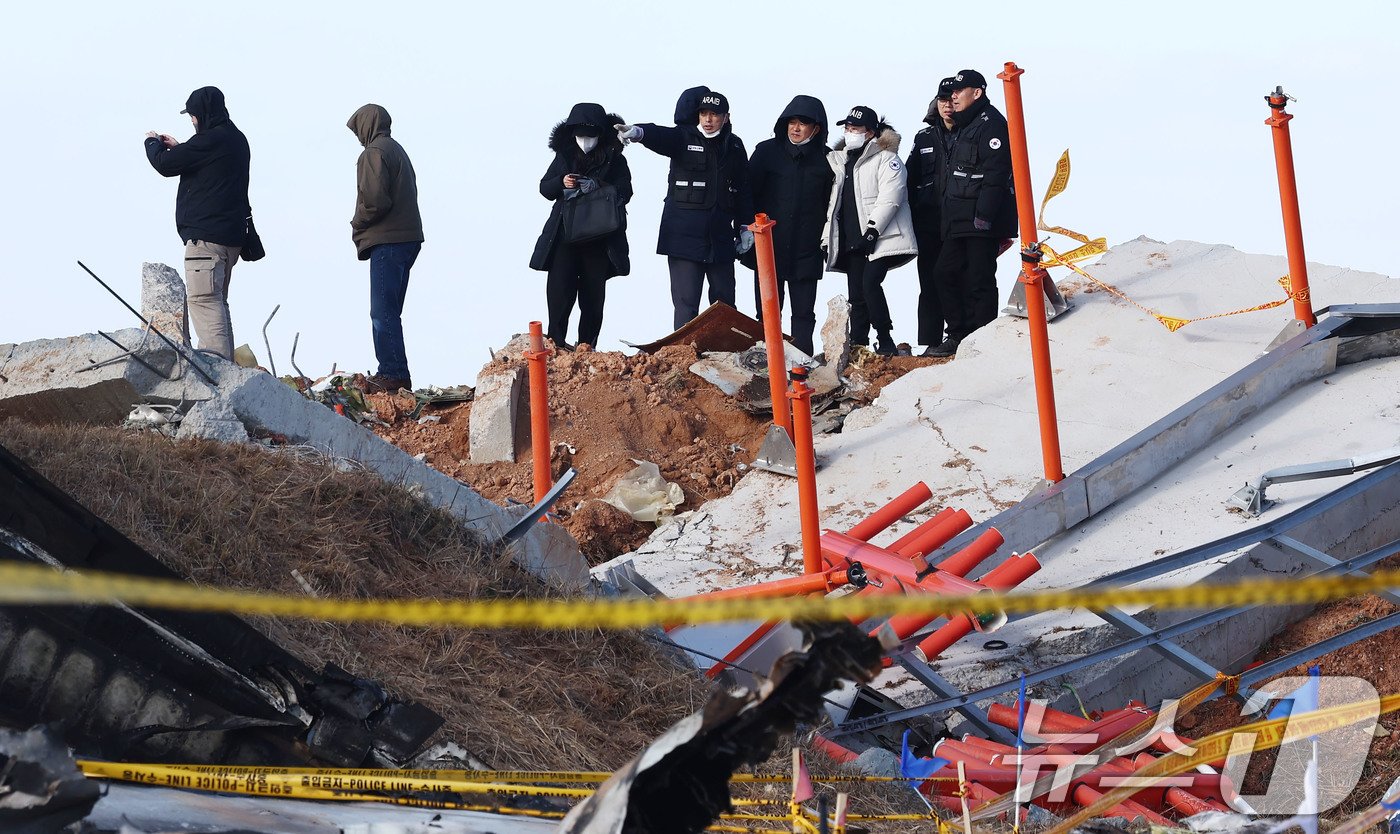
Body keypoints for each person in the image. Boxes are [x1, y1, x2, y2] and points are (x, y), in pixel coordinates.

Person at [616, 87, 753, 330]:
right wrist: (638, 132)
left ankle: (722, 354)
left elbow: (743, 190)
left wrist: (745, 226)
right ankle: (685, 357)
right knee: (686, 303)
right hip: (683, 238)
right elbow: (660, 136)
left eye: (714, 114)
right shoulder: (683, 138)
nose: (708, 120)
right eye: (704, 114)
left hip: (720, 239)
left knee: (724, 302)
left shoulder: (734, 146)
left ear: (726, 117)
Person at [144, 86, 250, 361]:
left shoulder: (210, 140)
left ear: (201, 114)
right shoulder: (235, 139)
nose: (192, 121)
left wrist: (152, 142)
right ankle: (228, 368)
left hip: (206, 239)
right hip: (230, 239)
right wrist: (182, 148)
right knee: (217, 302)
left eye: (192, 116)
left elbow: (164, 165)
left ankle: (218, 369)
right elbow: (206, 164)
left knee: (204, 301)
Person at [926, 70, 1016, 358]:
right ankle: (958, 334)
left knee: (979, 279)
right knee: (943, 273)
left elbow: (996, 173)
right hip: (958, 219)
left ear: (977, 92)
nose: (954, 96)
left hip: (980, 220)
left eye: (960, 91)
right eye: (952, 92)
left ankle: (983, 338)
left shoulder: (991, 124)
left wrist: (985, 216)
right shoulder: (967, 124)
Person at [529, 103, 632, 350]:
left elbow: (626, 191)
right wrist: (562, 182)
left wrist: (597, 186)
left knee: (593, 297)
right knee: (559, 292)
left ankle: (587, 347)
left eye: (591, 136)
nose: (585, 141)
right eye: (580, 135)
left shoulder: (615, 157)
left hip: (599, 237)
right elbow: (545, 188)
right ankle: (555, 345)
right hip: (564, 234)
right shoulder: (564, 155)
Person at [820, 107, 917, 356]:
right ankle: (859, 342)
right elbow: (833, 206)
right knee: (856, 293)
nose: (850, 133)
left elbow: (891, 197)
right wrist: (826, 239)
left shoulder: (887, 159)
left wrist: (873, 231)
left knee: (870, 283)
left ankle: (885, 338)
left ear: (871, 132)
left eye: (856, 129)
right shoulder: (840, 162)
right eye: (847, 128)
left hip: (881, 238)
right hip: (852, 238)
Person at [743, 95, 832, 356]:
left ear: (816, 129)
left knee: (804, 312)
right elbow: (748, 193)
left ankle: (802, 362)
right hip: (769, 246)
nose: (795, 128)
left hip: (808, 248)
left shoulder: (828, 160)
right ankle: (767, 358)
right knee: (767, 310)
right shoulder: (766, 151)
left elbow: (834, 204)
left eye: (802, 123)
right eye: (791, 122)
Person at [347, 103, 424, 393]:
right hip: (407, 239)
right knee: (390, 311)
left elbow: (376, 201)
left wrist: (357, 221)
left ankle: (392, 374)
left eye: (358, 130)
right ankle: (395, 372)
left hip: (388, 241)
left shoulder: (373, 153)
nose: (357, 136)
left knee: (382, 312)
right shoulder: (396, 149)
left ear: (367, 125)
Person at [907, 78, 957, 356]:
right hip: (927, 222)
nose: (947, 106)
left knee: (953, 278)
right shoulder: (923, 137)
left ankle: (959, 335)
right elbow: (908, 178)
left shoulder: (970, 133)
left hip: (958, 223)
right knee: (928, 281)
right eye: (942, 101)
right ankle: (930, 341)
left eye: (951, 100)